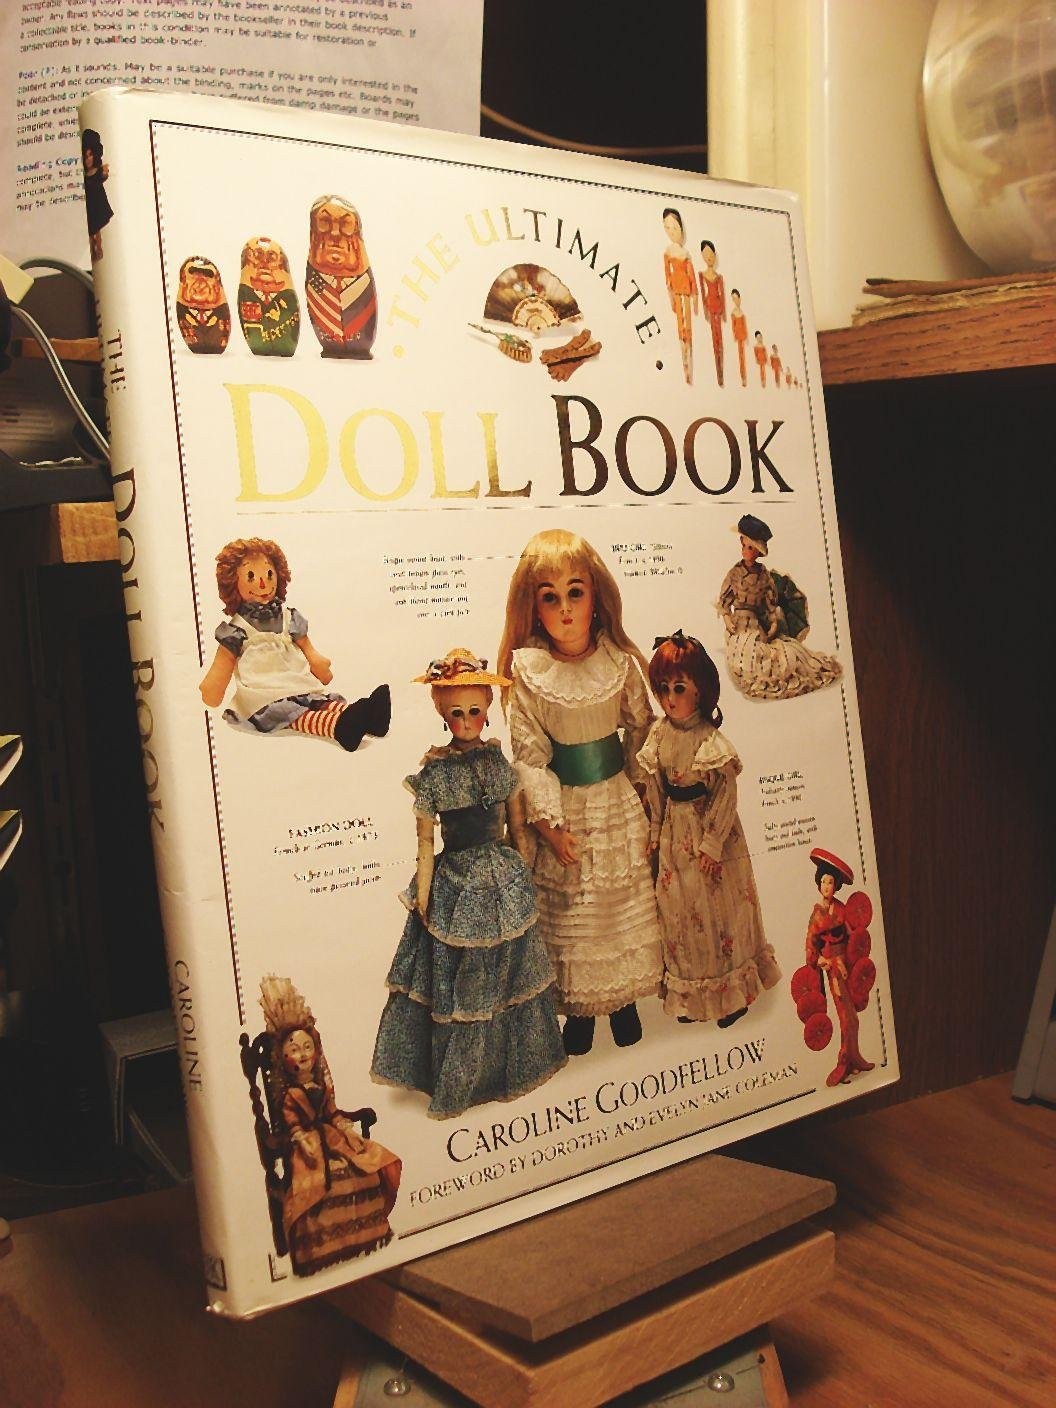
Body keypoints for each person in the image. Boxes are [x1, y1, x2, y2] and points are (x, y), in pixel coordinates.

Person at [371, 649, 566, 1117]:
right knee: (461, 979)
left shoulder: (501, 766)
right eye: (456, 712)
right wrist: (422, 894)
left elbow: (518, 829)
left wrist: (524, 874)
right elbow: (424, 841)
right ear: (442, 713)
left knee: (510, 975)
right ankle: (461, 1077)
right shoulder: (435, 775)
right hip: (455, 884)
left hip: (503, 878)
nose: (465, 721)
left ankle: (504, 1068)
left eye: (474, 711)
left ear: (487, 710)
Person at [497, 529, 663, 1055]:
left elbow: (641, 727)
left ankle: (625, 1004)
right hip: (567, 807)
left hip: (616, 802)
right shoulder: (530, 671)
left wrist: (645, 794)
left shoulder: (618, 662)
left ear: (596, 596)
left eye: (576, 592)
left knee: (620, 902)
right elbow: (529, 757)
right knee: (575, 914)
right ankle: (580, 1015)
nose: (566, 609)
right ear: (533, 606)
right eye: (551, 598)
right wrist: (549, 826)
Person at [639, 631, 779, 1024]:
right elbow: (655, 787)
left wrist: (713, 842)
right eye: (663, 688)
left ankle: (730, 997)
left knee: (720, 913)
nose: (669, 699)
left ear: (699, 690)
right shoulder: (659, 734)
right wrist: (655, 831)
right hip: (674, 835)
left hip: (708, 834)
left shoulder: (710, 741)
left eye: (679, 688)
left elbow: (725, 793)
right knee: (681, 915)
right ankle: (691, 995)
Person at [259, 975, 401, 1277]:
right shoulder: (291, 1095)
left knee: (364, 1163)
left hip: (330, 1135)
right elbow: (292, 1123)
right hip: (308, 1144)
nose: (302, 1055)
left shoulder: (321, 1086)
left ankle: (365, 1232)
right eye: (294, 1049)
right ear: (283, 1057)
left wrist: (345, 1127)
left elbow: (332, 1112)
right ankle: (321, 1246)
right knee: (318, 1181)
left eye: (307, 1047)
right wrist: (301, 1138)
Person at [200, 536, 389, 750]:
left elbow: (307, 648)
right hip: (264, 694)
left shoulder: (289, 617)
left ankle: (371, 720)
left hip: (298, 683)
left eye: (269, 574)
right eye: (251, 576)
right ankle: (339, 727)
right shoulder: (237, 629)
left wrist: (318, 664)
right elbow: (222, 664)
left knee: (318, 702)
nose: (263, 583)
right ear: (232, 583)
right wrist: (212, 688)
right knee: (292, 714)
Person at [717, 514, 842, 700]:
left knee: (775, 655)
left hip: (757, 625)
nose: (745, 551)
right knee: (744, 658)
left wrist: (773, 623)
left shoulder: (764, 575)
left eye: (750, 548)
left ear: (758, 552)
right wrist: (727, 620)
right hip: (739, 625)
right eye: (743, 546)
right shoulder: (735, 573)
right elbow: (724, 602)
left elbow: (769, 604)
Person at [803, 849, 875, 1086]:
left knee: (853, 1018)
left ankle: (855, 1058)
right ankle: (844, 1061)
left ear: (836, 886)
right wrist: (820, 961)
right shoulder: (816, 915)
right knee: (846, 1017)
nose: (826, 886)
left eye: (830, 882)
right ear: (818, 884)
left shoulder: (842, 909)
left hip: (848, 965)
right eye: (823, 881)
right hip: (834, 969)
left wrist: (858, 947)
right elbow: (811, 945)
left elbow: (853, 934)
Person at [661, 208, 697, 385]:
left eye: (675, 228)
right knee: (679, 326)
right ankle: (685, 367)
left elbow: (691, 276)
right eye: (667, 228)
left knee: (687, 325)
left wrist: (695, 295)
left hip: (686, 289)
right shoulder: (668, 252)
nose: (672, 232)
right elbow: (667, 276)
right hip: (676, 289)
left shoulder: (685, 254)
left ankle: (689, 362)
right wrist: (670, 298)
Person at [81, 129, 113, 262]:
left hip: (97, 203)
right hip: (90, 205)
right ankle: (93, 249)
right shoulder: (85, 176)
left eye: (90, 155)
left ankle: (98, 248)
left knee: (97, 229)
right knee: (91, 229)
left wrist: (104, 173)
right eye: (85, 156)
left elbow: (103, 177)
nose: (88, 159)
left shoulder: (97, 171)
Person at [698, 240, 726, 386]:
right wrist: (704, 309)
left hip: (718, 307)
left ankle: (721, 371)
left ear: (715, 255)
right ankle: (718, 370)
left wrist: (724, 312)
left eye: (711, 254)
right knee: (714, 337)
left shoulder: (718, 277)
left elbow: (722, 294)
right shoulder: (702, 275)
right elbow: (703, 293)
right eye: (705, 254)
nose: (709, 257)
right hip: (710, 306)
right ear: (702, 255)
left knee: (719, 337)